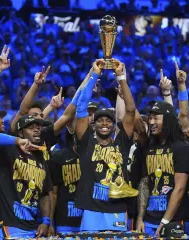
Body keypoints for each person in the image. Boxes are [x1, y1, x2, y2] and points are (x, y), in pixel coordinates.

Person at [75, 59, 137, 231]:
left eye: (108, 121)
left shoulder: (122, 143)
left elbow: (130, 110)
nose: (104, 123)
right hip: (91, 209)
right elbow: (80, 108)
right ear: (93, 125)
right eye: (100, 120)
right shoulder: (87, 142)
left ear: (113, 125)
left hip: (116, 209)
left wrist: (121, 77)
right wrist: (94, 74)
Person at [0, 115, 52, 239]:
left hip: (33, 227)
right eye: (31, 128)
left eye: (38, 128)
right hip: (10, 224)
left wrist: (46, 221)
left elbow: (45, 193)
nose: (36, 130)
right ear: (20, 132)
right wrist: (18, 141)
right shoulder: (7, 149)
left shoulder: (41, 158)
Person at [136, 101, 189, 237]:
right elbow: (145, 183)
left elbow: (179, 188)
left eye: (156, 118)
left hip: (174, 221)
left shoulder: (182, 148)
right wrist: (140, 218)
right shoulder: (149, 147)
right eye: (150, 118)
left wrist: (165, 221)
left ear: (167, 120)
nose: (151, 122)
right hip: (149, 221)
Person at [49, 136, 81, 234]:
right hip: (65, 220)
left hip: (89, 220)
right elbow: (53, 193)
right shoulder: (59, 157)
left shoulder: (94, 156)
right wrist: (49, 223)